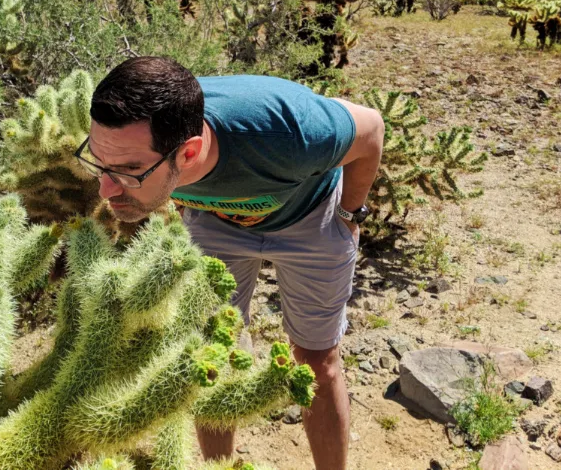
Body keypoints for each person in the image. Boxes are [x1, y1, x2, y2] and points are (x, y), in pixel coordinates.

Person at [77, 56, 385, 470]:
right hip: (216, 223)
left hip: (312, 220)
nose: (105, 188)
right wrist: (179, 206)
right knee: (212, 353)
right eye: (99, 161)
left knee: (316, 361)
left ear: (189, 152)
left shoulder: (288, 130)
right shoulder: (147, 135)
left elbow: (371, 128)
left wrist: (349, 215)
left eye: (129, 170)